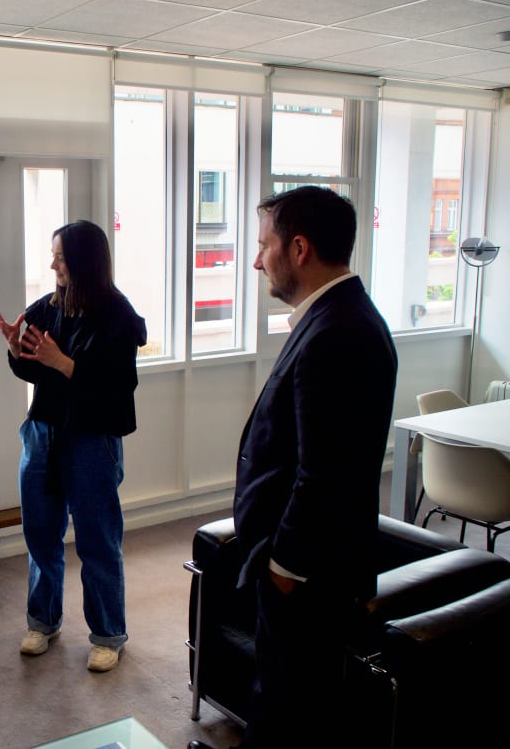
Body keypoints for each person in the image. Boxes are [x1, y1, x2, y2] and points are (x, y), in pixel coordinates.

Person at [188, 187, 397, 749]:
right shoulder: (332, 316)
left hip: (307, 579)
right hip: (301, 572)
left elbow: (323, 473)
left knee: (290, 715)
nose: (257, 262)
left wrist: (284, 565)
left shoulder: (339, 332)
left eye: (264, 247)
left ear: (299, 248)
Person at [0, 219, 147, 672]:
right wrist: (15, 350)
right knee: (40, 532)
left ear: (81, 260)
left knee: (97, 539)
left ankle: (107, 635)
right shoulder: (48, 307)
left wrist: (65, 364)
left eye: (59, 255)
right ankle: (43, 621)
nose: (52, 263)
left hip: (91, 436)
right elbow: (33, 371)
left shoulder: (119, 316)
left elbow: (120, 386)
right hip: (43, 431)